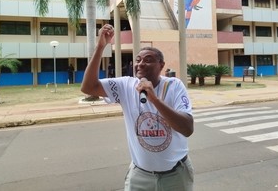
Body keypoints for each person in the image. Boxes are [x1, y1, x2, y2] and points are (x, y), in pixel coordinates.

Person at [81, 24, 194, 191]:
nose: (140, 64)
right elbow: (89, 87)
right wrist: (100, 47)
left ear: (161, 65)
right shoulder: (126, 85)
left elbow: (187, 128)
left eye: (148, 60)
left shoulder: (174, 86)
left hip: (175, 175)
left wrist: (154, 99)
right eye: (138, 60)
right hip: (141, 176)